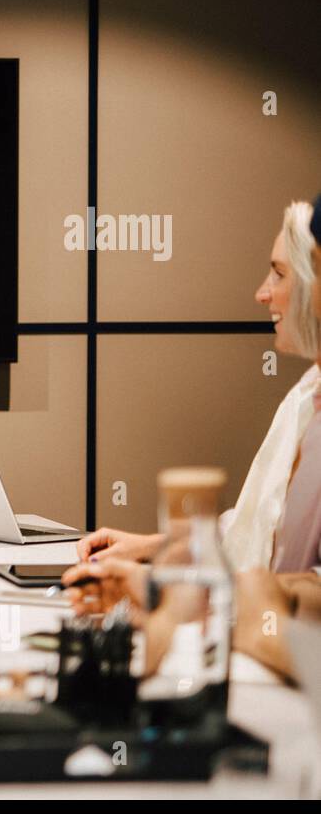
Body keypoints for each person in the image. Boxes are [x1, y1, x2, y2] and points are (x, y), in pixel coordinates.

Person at [76, 202, 319, 572]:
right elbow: (253, 528)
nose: (262, 294)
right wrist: (150, 547)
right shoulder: (306, 393)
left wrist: (153, 592)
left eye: (279, 274)